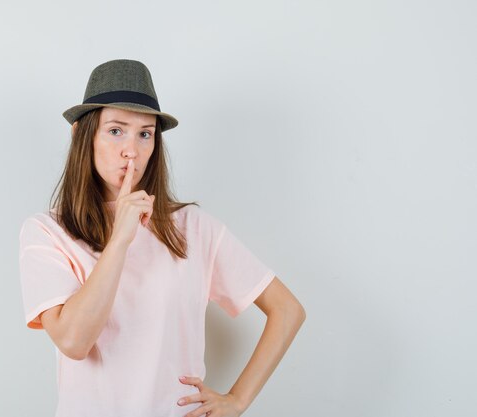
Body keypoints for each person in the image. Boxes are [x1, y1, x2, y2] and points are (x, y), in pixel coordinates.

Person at [18, 59, 306, 417]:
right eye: (116, 130)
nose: (132, 150)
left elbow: (287, 310)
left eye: (145, 133)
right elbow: (74, 341)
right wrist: (121, 239)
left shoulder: (192, 228)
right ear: (81, 134)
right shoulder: (47, 232)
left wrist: (237, 400)